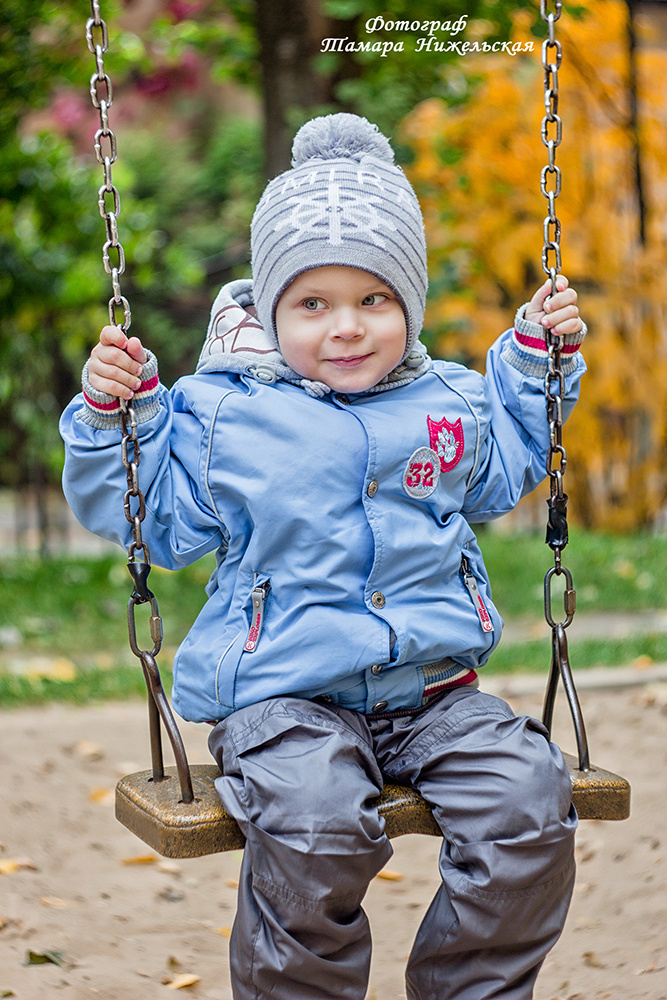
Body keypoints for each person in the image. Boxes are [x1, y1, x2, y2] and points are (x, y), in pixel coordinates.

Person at [61, 113, 586, 1000]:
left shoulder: (449, 401)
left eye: (374, 299)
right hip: (282, 699)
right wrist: (120, 422)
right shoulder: (222, 414)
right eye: (313, 304)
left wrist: (538, 364)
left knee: (528, 804)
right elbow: (157, 522)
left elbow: (506, 469)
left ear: (409, 305)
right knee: (317, 828)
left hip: (434, 692)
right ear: (271, 311)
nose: (346, 327)